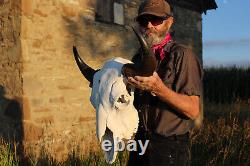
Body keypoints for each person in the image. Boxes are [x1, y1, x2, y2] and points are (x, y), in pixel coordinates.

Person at [126, 0, 203, 165]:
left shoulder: (183, 56)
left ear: (169, 22)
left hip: (169, 147)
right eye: (143, 20)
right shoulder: (137, 58)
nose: (149, 25)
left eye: (155, 20)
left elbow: (193, 110)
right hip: (140, 142)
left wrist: (158, 88)